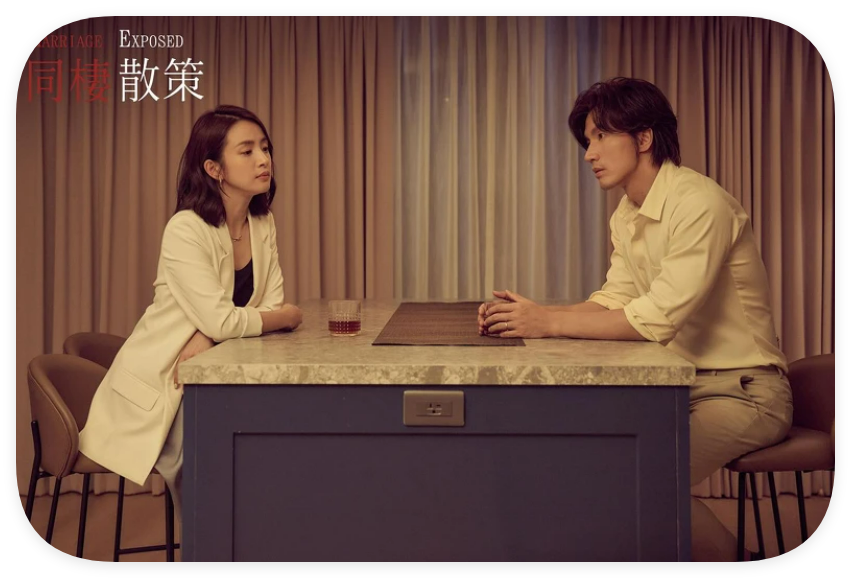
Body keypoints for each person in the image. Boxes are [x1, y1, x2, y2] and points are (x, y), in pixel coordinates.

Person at [477, 77, 792, 562]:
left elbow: (655, 319)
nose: (589, 153)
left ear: (644, 138)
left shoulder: (700, 204)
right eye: (588, 140)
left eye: (601, 135)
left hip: (746, 391)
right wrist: (531, 314)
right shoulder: (628, 212)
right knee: (587, 459)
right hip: (677, 383)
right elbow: (615, 300)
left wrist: (548, 323)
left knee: (634, 477)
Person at [79, 105, 303, 521]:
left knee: (272, 433)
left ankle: (253, 535)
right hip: (167, 381)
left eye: (265, 148)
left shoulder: (262, 223)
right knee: (218, 452)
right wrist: (279, 319)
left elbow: (264, 304)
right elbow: (264, 314)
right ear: (214, 169)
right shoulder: (185, 229)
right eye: (247, 151)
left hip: (211, 368)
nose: (263, 159)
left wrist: (210, 335)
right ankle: (210, 541)